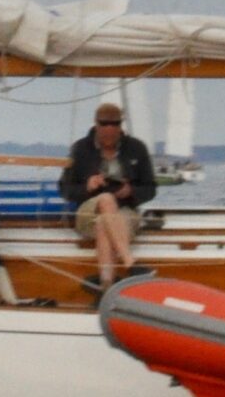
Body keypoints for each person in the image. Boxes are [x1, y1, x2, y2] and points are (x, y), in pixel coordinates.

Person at [59, 101, 156, 290]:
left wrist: (131, 191)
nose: (110, 129)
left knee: (104, 222)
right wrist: (87, 186)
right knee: (105, 199)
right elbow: (65, 189)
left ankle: (105, 286)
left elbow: (150, 188)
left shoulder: (136, 148)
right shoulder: (80, 149)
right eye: (104, 124)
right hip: (88, 211)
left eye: (115, 124)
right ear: (96, 125)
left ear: (121, 126)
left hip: (124, 211)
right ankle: (130, 264)